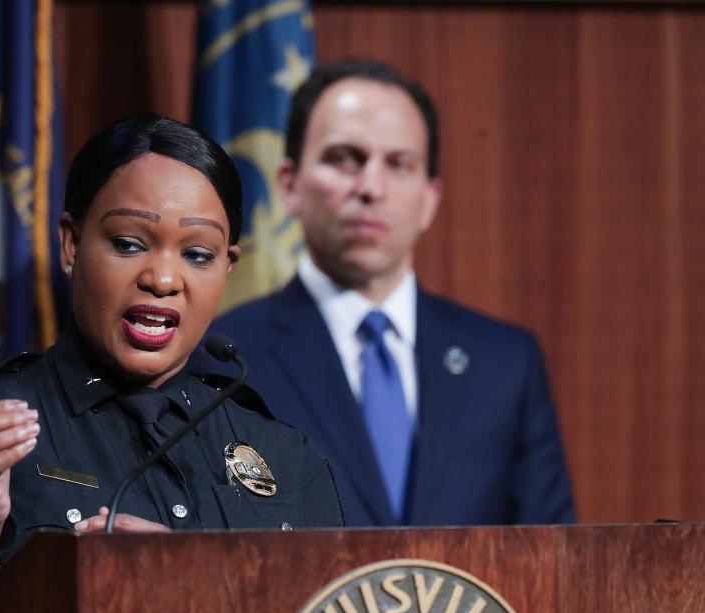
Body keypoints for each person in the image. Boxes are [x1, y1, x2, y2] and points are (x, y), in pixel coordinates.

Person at [0, 114, 344, 613]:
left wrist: (198, 580)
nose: (163, 278)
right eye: (130, 243)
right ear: (71, 244)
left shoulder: (284, 456)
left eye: (197, 255)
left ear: (228, 267)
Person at [209, 60, 575, 527]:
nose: (371, 188)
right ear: (290, 185)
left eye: (399, 164)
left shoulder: (506, 363)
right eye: (345, 158)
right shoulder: (227, 359)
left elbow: (554, 560)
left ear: (429, 199)